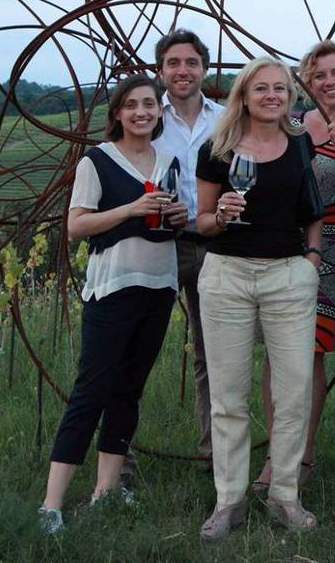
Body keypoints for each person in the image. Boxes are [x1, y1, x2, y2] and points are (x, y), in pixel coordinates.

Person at [37, 74, 188, 534]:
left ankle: (106, 491)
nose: (142, 112)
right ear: (118, 113)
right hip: (112, 289)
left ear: (160, 111)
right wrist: (130, 210)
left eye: (149, 104)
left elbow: (172, 222)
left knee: (128, 390)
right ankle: (51, 504)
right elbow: (76, 226)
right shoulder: (97, 161)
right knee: (91, 392)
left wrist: (177, 215)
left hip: (159, 286)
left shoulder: (169, 160)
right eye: (132, 105)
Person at [193, 57, 325, 540]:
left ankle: (284, 497)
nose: (272, 96)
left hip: (287, 277)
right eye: (262, 89)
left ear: (290, 96)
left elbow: (313, 210)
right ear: (244, 97)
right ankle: (228, 500)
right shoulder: (217, 149)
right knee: (228, 396)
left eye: (280, 88)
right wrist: (221, 216)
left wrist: (311, 260)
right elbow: (202, 222)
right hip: (227, 276)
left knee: (292, 394)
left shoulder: (300, 144)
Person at [247, 41, 335, 493]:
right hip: (282, 243)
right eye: (318, 74)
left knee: (311, 349)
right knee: (276, 350)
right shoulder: (291, 124)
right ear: (307, 81)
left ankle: (303, 455)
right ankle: (275, 456)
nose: (329, 81)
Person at [152, 29, 226, 465]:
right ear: (160, 70)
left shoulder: (226, 118)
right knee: (137, 347)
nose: (183, 71)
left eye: (191, 63)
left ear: (204, 69)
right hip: (161, 244)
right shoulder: (147, 115)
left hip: (215, 245)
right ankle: (119, 462)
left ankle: (215, 457)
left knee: (213, 354)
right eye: (174, 63)